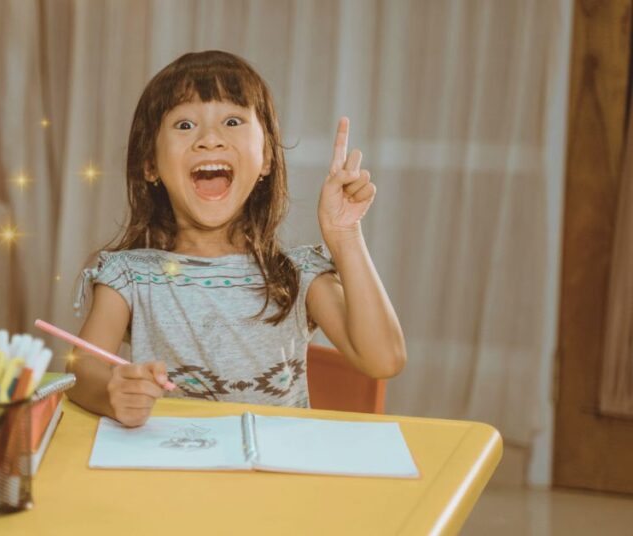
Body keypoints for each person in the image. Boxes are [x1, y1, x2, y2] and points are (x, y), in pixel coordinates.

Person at [66, 50, 406, 427]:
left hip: (275, 480)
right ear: (150, 164)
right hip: (174, 476)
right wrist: (112, 391)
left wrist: (345, 236)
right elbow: (81, 369)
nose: (210, 139)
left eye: (232, 121)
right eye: (184, 125)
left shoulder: (298, 273)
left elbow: (384, 359)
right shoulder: (127, 275)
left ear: (265, 158)